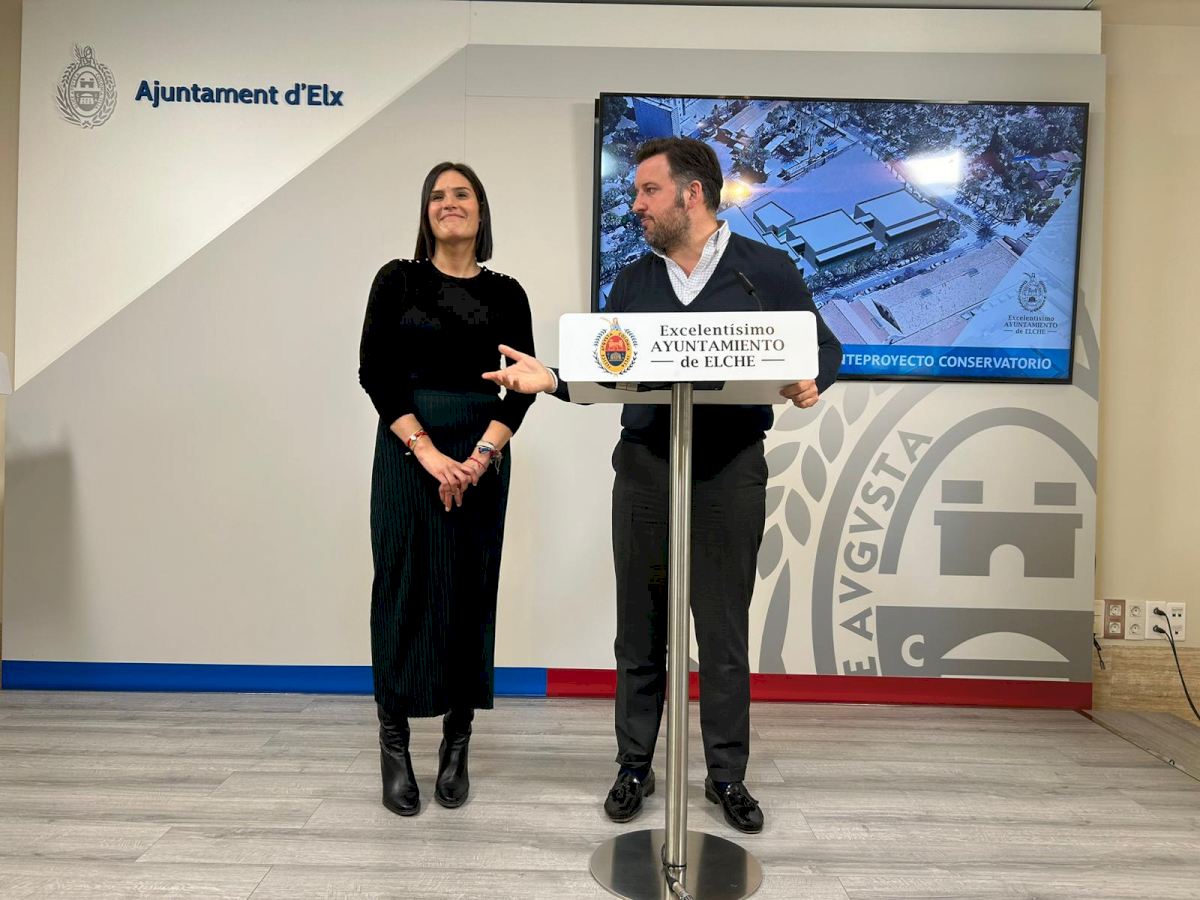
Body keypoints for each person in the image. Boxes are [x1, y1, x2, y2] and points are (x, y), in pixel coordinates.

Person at [484, 137, 841, 834]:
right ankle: (633, 766)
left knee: (724, 630)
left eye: (648, 191)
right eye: (636, 194)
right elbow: (610, 369)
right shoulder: (632, 282)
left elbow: (823, 346)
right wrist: (551, 378)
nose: (636, 205)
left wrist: (812, 379)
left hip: (730, 467)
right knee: (640, 629)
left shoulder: (763, 269)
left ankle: (727, 775)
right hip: (646, 464)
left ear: (691, 193)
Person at [359, 161, 536, 817]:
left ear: (481, 210)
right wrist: (430, 453)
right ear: (425, 212)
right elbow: (375, 372)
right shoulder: (396, 280)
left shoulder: (508, 293)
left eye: (461, 194)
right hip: (409, 450)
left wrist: (481, 456)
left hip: (481, 452)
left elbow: (522, 387)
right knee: (401, 591)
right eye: (437, 195)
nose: (448, 203)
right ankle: (394, 745)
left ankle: (457, 744)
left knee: (469, 593)